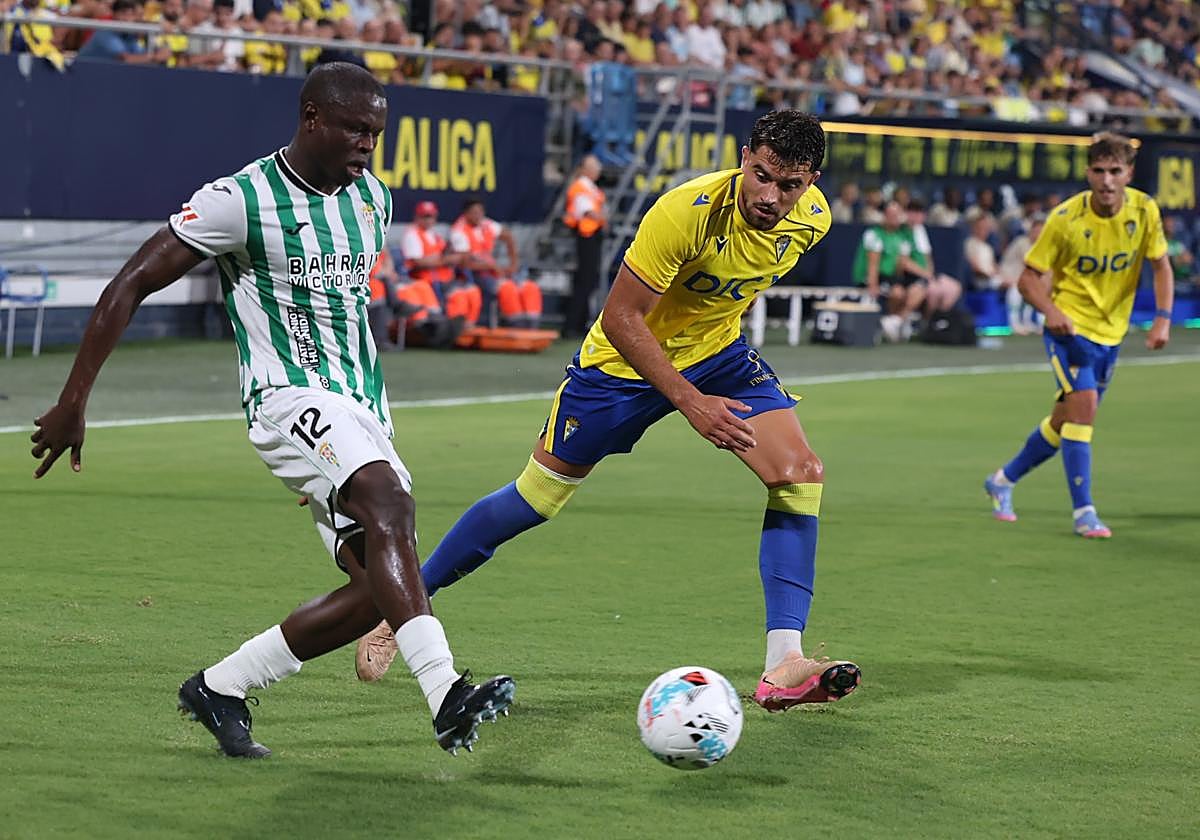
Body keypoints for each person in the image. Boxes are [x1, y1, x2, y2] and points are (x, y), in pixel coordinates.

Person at [29, 63, 514, 759]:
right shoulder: (242, 200)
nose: (365, 146)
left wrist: (332, 460)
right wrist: (75, 400)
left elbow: (343, 312)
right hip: (286, 398)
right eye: (353, 129)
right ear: (312, 117)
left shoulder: (373, 200)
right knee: (390, 509)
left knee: (379, 589)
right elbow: (132, 281)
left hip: (361, 413)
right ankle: (445, 695)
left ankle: (220, 687)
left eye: (375, 134)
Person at [356, 111, 862, 711]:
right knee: (537, 497)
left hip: (716, 355)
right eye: (762, 176)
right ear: (744, 155)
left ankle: (783, 662)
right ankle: (405, 603)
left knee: (799, 474)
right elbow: (623, 319)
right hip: (620, 368)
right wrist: (689, 401)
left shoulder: (812, 220)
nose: (772, 197)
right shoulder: (684, 214)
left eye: (791, 185)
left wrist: (703, 373)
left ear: (812, 182)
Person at [983, 132, 1173, 538]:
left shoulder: (1144, 210)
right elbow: (1028, 280)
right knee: (1083, 408)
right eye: (1099, 171)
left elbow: (1161, 265)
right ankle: (1084, 512)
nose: (1107, 180)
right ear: (1088, 172)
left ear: (1129, 173)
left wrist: (1163, 317)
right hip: (1068, 330)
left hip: (1112, 332)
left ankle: (1002, 480)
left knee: (1065, 420)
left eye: (1115, 171)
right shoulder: (1066, 220)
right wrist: (1051, 311)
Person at [449, 197, 541, 328]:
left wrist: (513, 264)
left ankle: (531, 324)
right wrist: (490, 266)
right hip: (473, 275)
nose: (478, 215)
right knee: (507, 288)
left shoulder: (486, 224)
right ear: (466, 213)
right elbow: (463, 264)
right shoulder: (458, 231)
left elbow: (508, 236)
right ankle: (515, 324)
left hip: (492, 272)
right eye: (474, 212)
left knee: (529, 287)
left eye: (480, 212)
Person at [851, 199, 926, 342]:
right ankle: (892, 326)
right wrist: (872, 284)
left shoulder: (902, 236)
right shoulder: (874, 234)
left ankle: (894, 322)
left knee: (917, 289)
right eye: (891, 214)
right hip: (869, 277)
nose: (895, 218)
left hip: (890, 278)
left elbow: (900, 265)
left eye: (897, 214)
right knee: (897, 292)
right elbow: (873, 263)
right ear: (884, 216)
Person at [562, 154, 607, 338]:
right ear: (584, 169)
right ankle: (572, 325)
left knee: (588, 281)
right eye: (593, 166)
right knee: (584, 281)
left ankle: (579, 322)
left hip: (592, 236)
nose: (597, 170)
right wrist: (603, 219)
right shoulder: (581, 187)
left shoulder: (589, 187)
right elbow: (587, 212)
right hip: (586, 236)